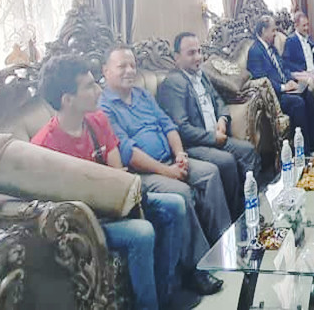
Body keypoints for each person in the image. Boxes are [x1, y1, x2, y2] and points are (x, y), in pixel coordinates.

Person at [31, 55, 219, 308]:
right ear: (67, 100)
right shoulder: (44, 146)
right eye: (89, 86)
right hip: (86, 223)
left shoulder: (97, 120)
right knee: (142, 232)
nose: (98, 91)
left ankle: (167, 293)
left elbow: (117, 173)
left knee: (175, 204)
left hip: (112, 203)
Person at [99, 45, 231, 298]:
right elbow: (128, 152)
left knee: (210, 172)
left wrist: (180, 155)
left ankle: (225, 244)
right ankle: (195, 270)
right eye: (122, 66)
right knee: (181, 192)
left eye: (132, 65)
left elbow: (168, 125)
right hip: (143, 175)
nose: (129, 71)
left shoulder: (142, 95)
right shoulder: (104, 109)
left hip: (170, 159)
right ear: (105, 71)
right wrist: (167, 172)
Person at [157, 32, 260, 219]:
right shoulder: (174, 83)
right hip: (195, 144)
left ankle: (250, 204)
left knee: (248, 151)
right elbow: (182, 128)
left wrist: (222, 119)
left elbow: (218, 100)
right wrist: (213, 137)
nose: (198, 57)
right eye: (191, 53)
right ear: (177, 57)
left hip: (216, 136)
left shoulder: (200, 74)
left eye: (199, 51)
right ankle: (236, 218)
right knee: (226, 161)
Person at [247, 15, 314, 152]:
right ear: (263, 31)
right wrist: (283, 87)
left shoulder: (271, 48)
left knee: (308, 93)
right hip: (274, 95)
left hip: (286, 87)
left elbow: (283, 68)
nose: (275, 34)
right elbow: (261, 80)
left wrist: (290, 80)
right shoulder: (255, 51)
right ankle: (304, 150)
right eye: (273, 30)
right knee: (298, 103)